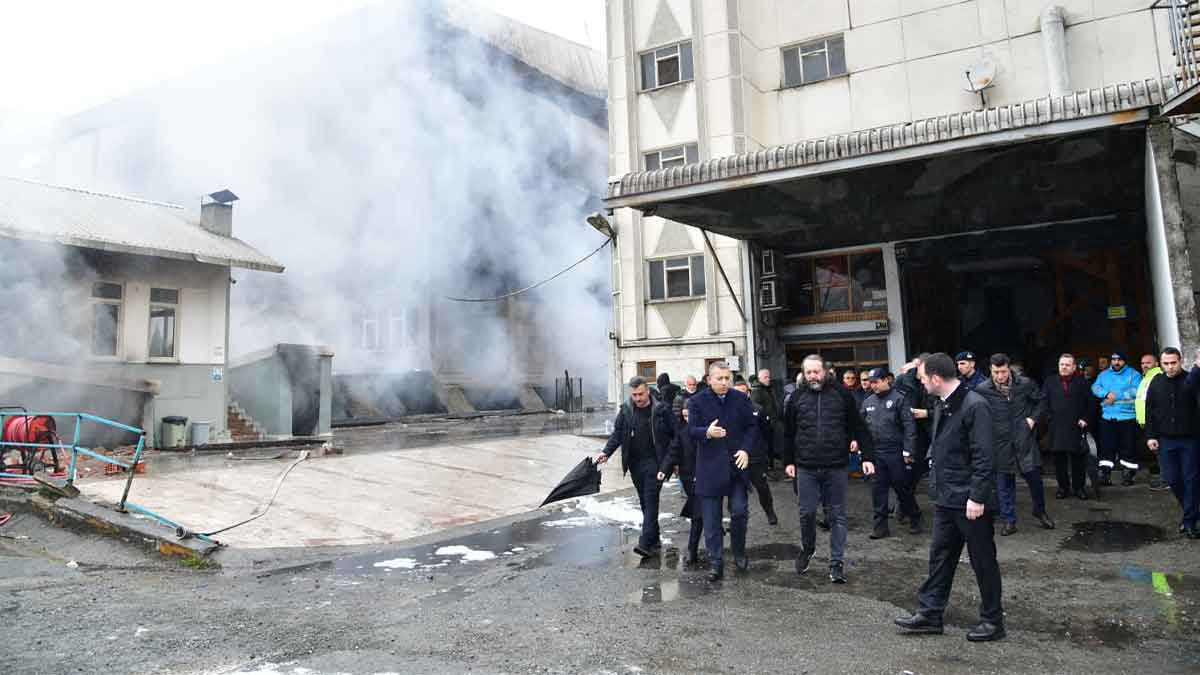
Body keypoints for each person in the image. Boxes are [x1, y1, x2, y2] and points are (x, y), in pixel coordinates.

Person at [895, 353, 1004, 642]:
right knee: (940, 558)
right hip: (946, 498)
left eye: (922, 378)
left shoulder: (975, 405)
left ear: (935, 378)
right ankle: (930, 614)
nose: (920, 382)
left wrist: (977, 497)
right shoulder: (942, 403)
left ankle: (993, 621)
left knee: (983, 561)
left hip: (970, 501)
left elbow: (984, 456)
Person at [783, 354, 874, 584]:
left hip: (836, 466)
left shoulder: (842, 394)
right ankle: (808, 549)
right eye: (808, 372)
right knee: (807, 512)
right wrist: (788, 461)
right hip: (806, 467)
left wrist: (867, 456)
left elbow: (859, 426)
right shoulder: (796, 397)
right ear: (804, 374)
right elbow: (788, 433)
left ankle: (836, 563)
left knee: (837, 515)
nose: (813, 376)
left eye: (816, 371)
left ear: (825, 371)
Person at [686, 362, 759, 581]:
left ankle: (739, 552)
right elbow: (691, 431)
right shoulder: (696, 401)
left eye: (727, 378)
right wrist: (707, 432)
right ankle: (716, 562)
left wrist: (746, 450)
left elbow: (752, 427)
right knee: (711, 521)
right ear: (709, 380)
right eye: (720, 378)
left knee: (739, 511)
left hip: (736, 466)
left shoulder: (740, 398)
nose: (725, 382)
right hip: (710, 468)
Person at [595, 376, 674, 558]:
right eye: (634, 395)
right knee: (645, 501)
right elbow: (617, 434)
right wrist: (606, 452)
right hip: (635, 463)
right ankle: (654, 539)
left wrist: (672, 462)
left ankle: (645, 543)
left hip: (655, 463)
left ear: (648, 391)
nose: (638, 398)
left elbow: (674, 435)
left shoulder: (661, 409)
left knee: (651, 499)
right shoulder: (626, 410)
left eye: (640, 394)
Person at [976, 353, 1053, 535]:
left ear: (1009, 368)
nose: (1000, 376)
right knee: (1004, 484)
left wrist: (1032, 419)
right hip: (1000, 442)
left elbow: (1041, 401)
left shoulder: (1024, 384)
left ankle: (1040, 511)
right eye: (996, 372)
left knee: (1035, 480)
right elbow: (977, 412)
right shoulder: (982, 389)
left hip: (1023, 438)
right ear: (990, 370)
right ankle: (1009, 520)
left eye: (1003, 371)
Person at [1143, 347, 1200, 538]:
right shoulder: (1156, 382)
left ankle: (1190, 521)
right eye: (1166, 363)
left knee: (1191, 480)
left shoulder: (1191, 380)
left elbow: (1191, 394)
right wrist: (1150, 436)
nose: (1170, 367)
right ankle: (1192, 512)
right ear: (1160, 364)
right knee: (1172, 479)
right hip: (1166, 440)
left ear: (1180, 361)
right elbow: (1150, 410)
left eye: (1173, 363)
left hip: (1190, 439)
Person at [860, 367, 921, 538]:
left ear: (886, 380)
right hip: (875, 452)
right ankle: (880, 527)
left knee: (902, 488)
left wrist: (908, 451)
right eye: (871, 382)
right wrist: (858, 442)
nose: (873, 385)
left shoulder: (899, 399)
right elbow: (861, 425)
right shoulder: (868, 401)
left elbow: (909, 426)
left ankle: (914, 516)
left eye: (876, 382)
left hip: (895, 451)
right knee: (878, 490)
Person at [658, 391, 704, 565]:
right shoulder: (682, 431)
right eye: (684, 416)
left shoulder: (707, 429)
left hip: (706, 476)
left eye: (689, 415)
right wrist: (664, 469)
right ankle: (694, 549)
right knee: (699, 512)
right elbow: (673, 451)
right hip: (689, 477)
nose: (687, 419)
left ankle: (693, 549)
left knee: (699, 513)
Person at [1043, 353, 1093, 500]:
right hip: (1057, 427)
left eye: (1067, 365)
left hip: (1076, 427)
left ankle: (1079, 488)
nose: (1064, 367)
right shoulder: (1050, 381)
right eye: (1062, 364)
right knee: (1059, 461)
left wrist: (1085, 419)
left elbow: (1091, 404)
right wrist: (1049, 418)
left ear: (1074, 367)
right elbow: (1044, 402)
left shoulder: (1082, 383)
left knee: (1078, 460)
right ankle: (1063, 488)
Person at [1091, 351, 1143, 486]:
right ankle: (1105, 474)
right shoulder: (1104, 375)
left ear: (1125, 361)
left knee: (1128, 447)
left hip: (1128, 417)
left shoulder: (1134, 374)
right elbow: (1095, 387)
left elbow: (1137, 390)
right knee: (1106, 447)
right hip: (1108, 417)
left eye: (1119, 359)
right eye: (1114, 359)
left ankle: (1128, 475)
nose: (1116, 362)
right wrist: (1106, 393)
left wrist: (1116, 396)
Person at [735, 379, 778, 525]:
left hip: (756, 457)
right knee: (736, 490)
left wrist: (762, 449)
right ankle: (737, 519)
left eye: (743, 392)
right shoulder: (728, 410)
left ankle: (770, 512)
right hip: (736, 457)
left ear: (748, 393)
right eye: (737, 392)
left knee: (762, 487)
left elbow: (766, 431)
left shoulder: (757, 409)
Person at [1136, 355, 1170, 492]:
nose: (1144, 365)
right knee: (1158, 453)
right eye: (1142, 363)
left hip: (1156, 423)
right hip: (1147, 422)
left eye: (1148, 363)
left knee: (1162, 453)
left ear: (1156, 363)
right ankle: (1164, 477)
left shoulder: (1157, 377)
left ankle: (1166, 480)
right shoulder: (1147, 377)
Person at [750, 368, 781, 469]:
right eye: (765, 377)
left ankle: (770, 464)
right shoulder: (757, 391)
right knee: (765, 445)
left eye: (769, 377)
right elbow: (756, 408)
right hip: (764, 423)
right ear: (759, 378)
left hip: (772, 422)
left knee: (771, 445)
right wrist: (766, 418)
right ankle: (766, 466)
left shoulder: (769, 388)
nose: (768, 379)